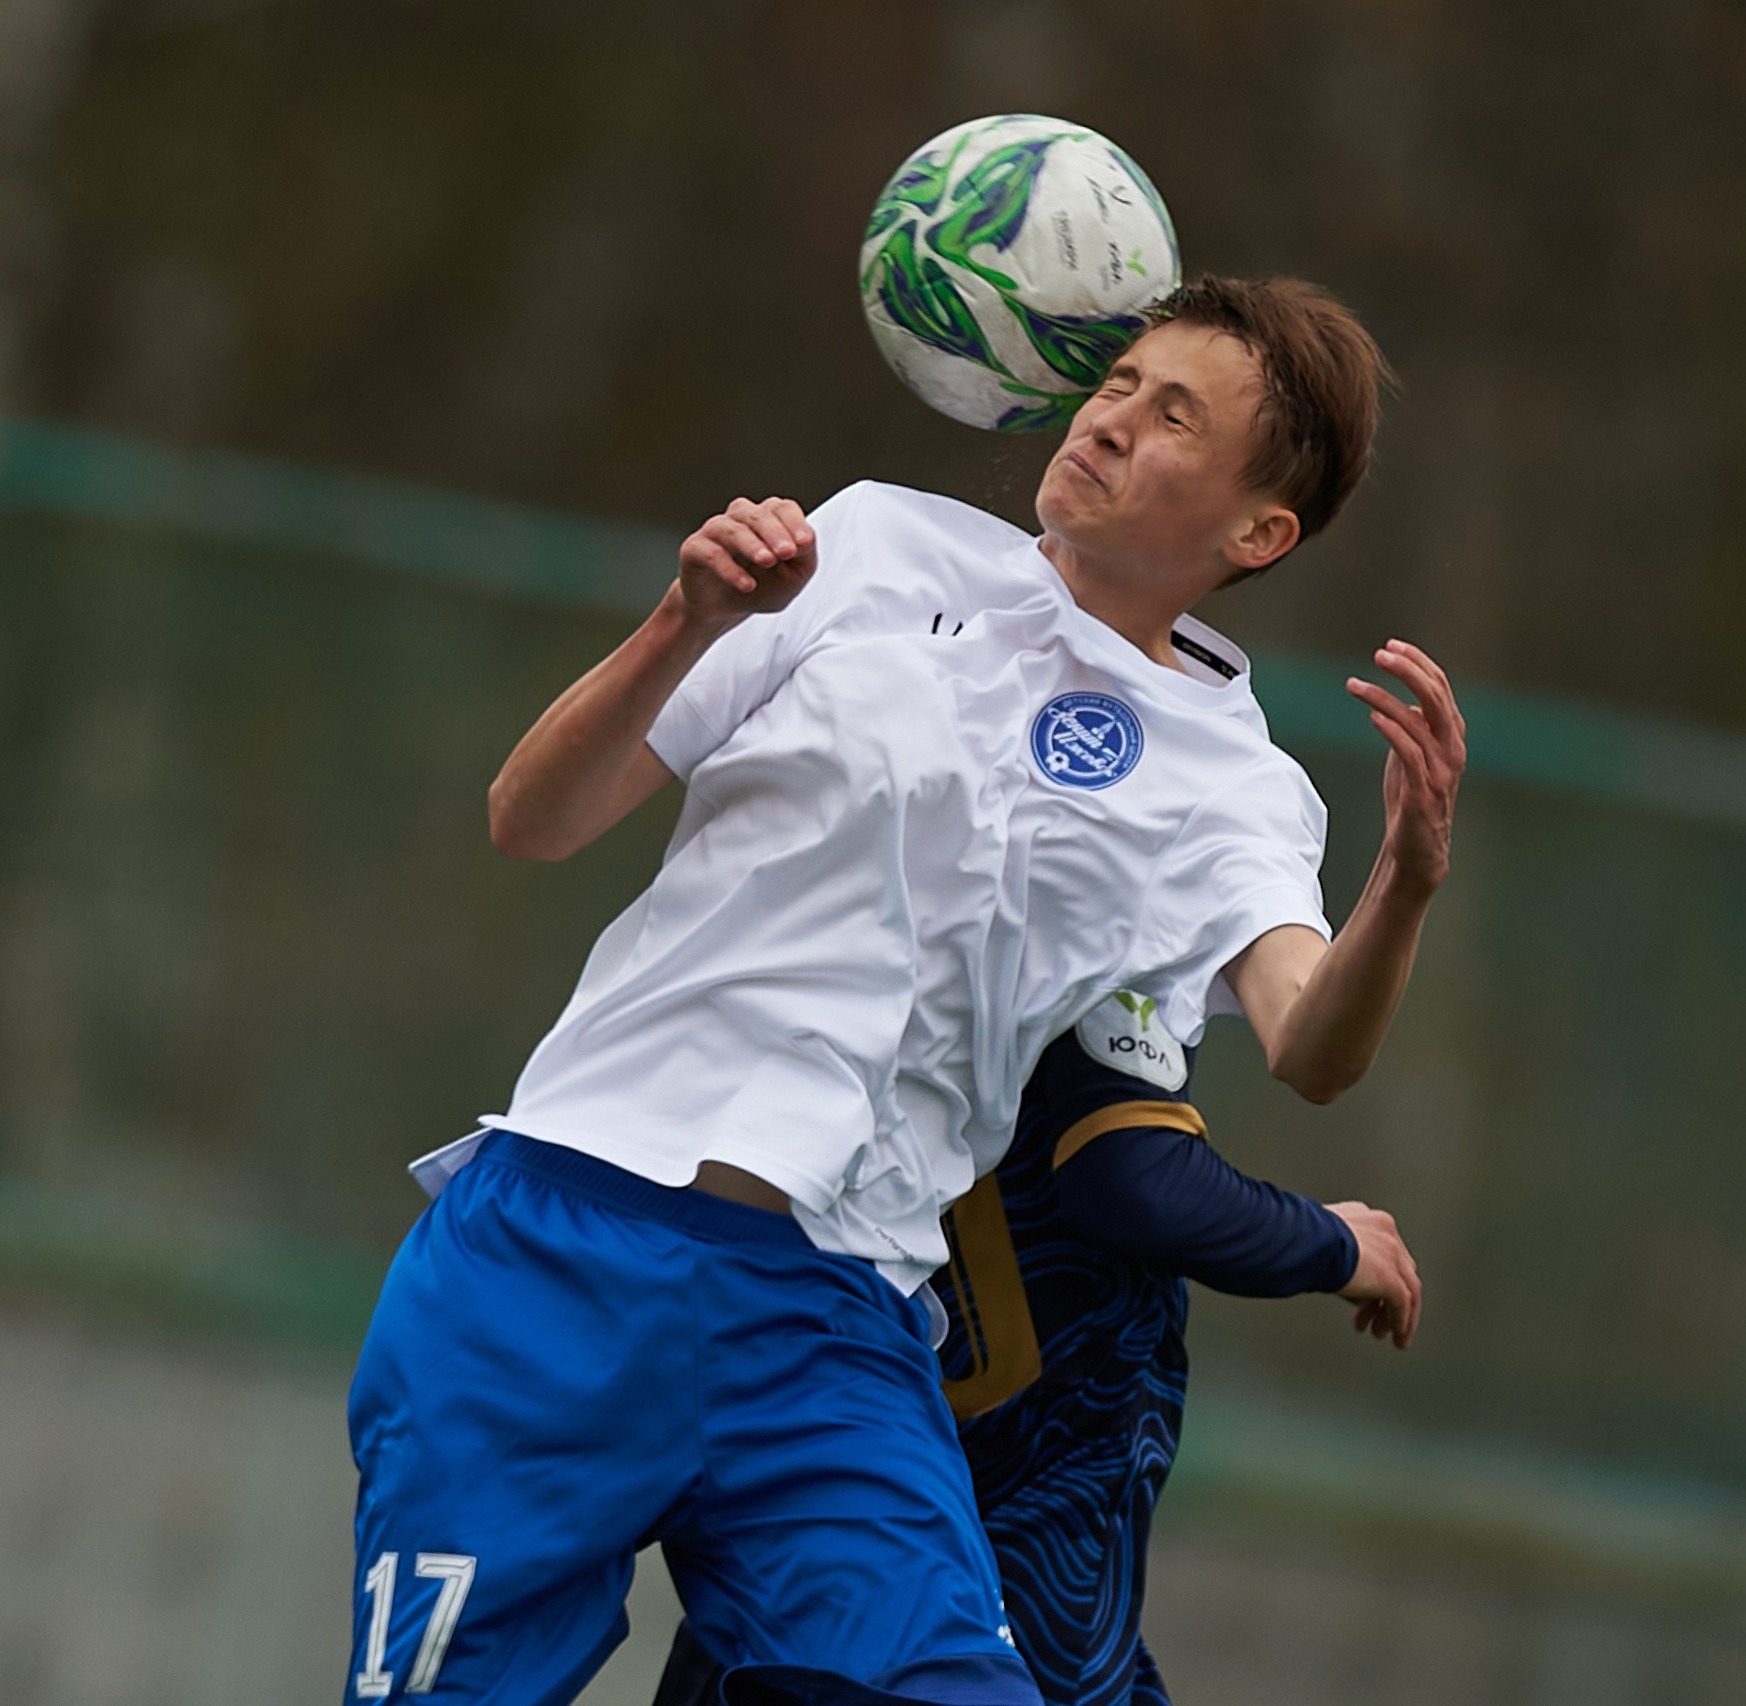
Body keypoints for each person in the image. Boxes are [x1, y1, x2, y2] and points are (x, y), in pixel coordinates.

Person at [345, 277, 1465, 1706]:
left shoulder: (1232, 780)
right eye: (1115, 381)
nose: (1111, 419)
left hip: (833, 1321)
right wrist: (682, 621)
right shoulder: (866, 541)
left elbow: (1311, 1041)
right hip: (569, 1247)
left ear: (1257, 532)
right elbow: (532, 814)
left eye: (1171, 412)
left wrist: (1409, 877)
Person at [650, 996, 1421, 1706]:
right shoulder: (1101, 882)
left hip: (845, 1428)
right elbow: (1133, 1180)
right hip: (1010, 1475)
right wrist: (1330, 1242)